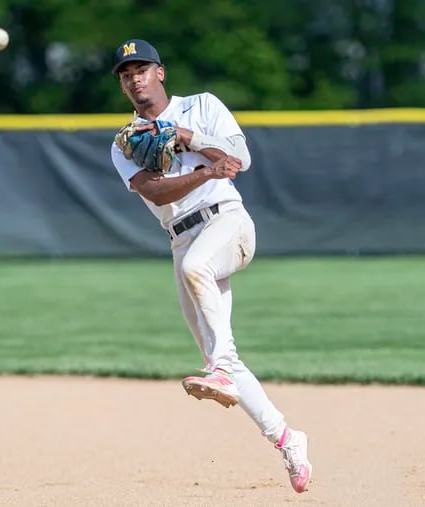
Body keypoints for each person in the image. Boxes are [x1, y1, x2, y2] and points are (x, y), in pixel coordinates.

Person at [109, 39, 312, 493]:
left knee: (198, 271)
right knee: (222, 354)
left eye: (141, 68)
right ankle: (287, 439)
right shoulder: (126, 142)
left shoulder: (202, 106)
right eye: (126, 74)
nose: (134, 77)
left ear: (160, 72)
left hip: (227, 222)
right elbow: (156, 193)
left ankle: (219, 371)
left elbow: (240, 159)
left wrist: (186, 138)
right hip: (181, 239)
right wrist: (201, 171)